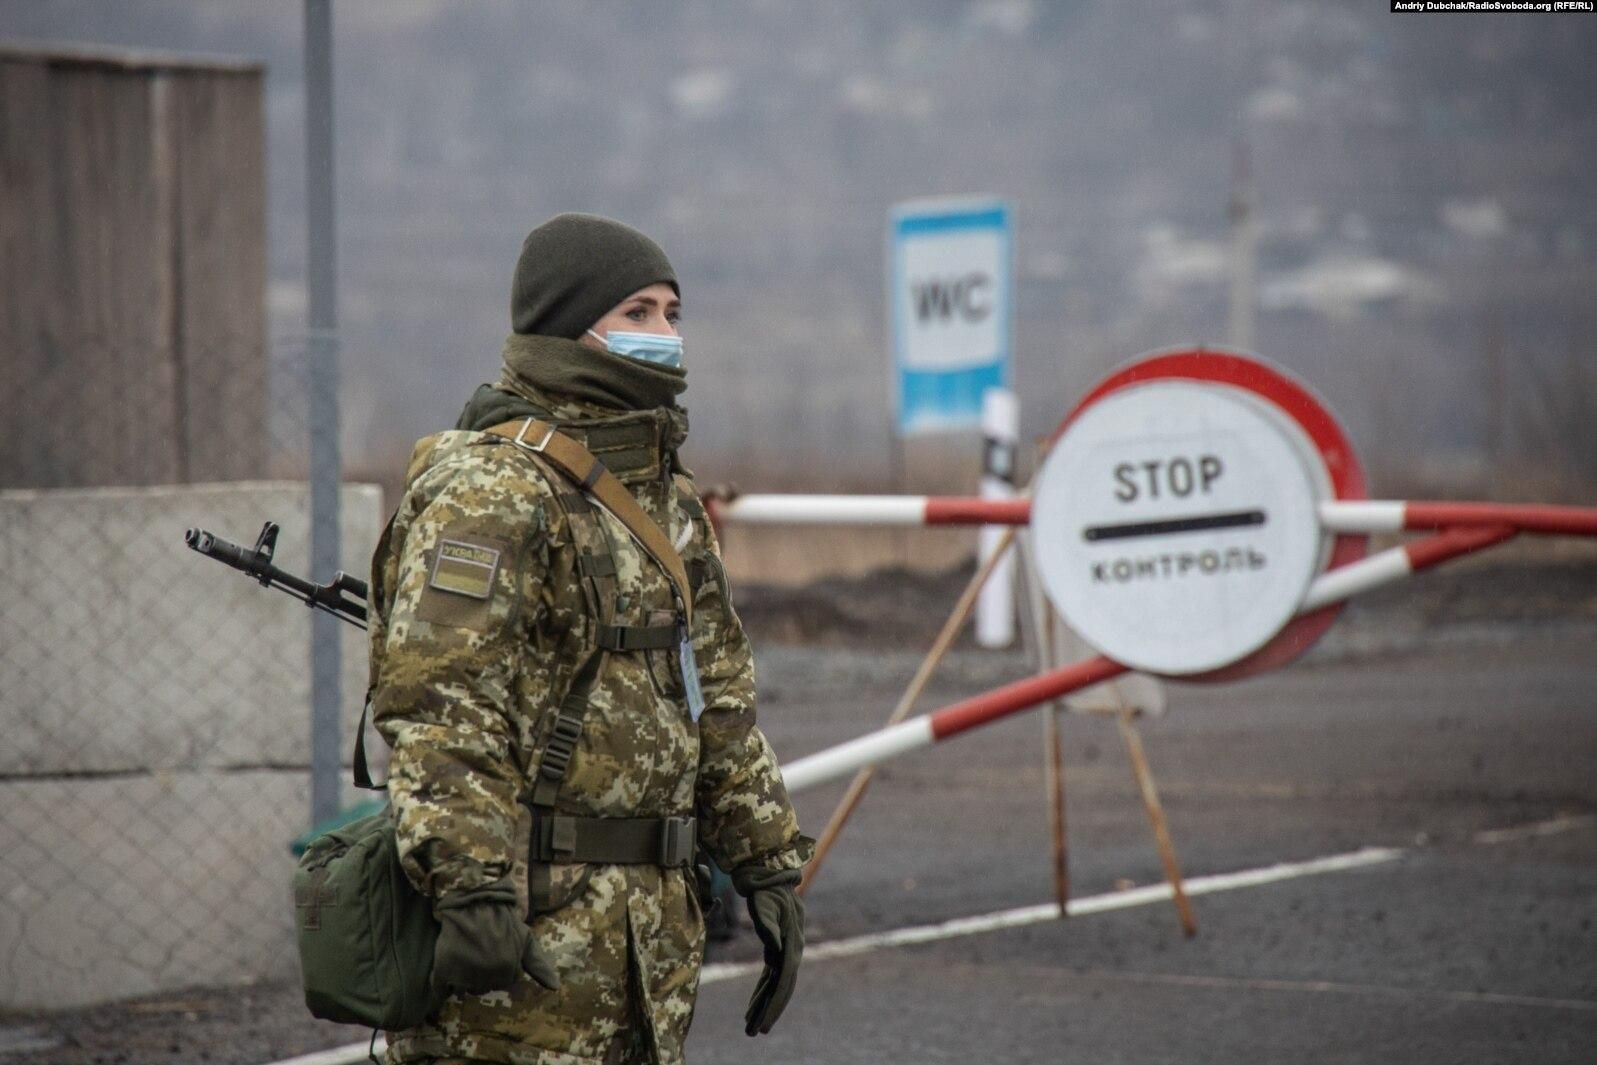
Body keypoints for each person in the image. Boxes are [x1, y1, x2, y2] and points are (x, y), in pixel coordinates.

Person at [368, 212, 813, 1065]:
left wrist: (766, 863)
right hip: (528, 940)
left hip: (650, 946)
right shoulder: (493, 486)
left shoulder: (661, 494)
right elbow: (441, 709)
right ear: (563, 324)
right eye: (636, 313)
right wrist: (472, 889)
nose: (664, 336)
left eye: (672, 314)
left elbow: (713, 695)